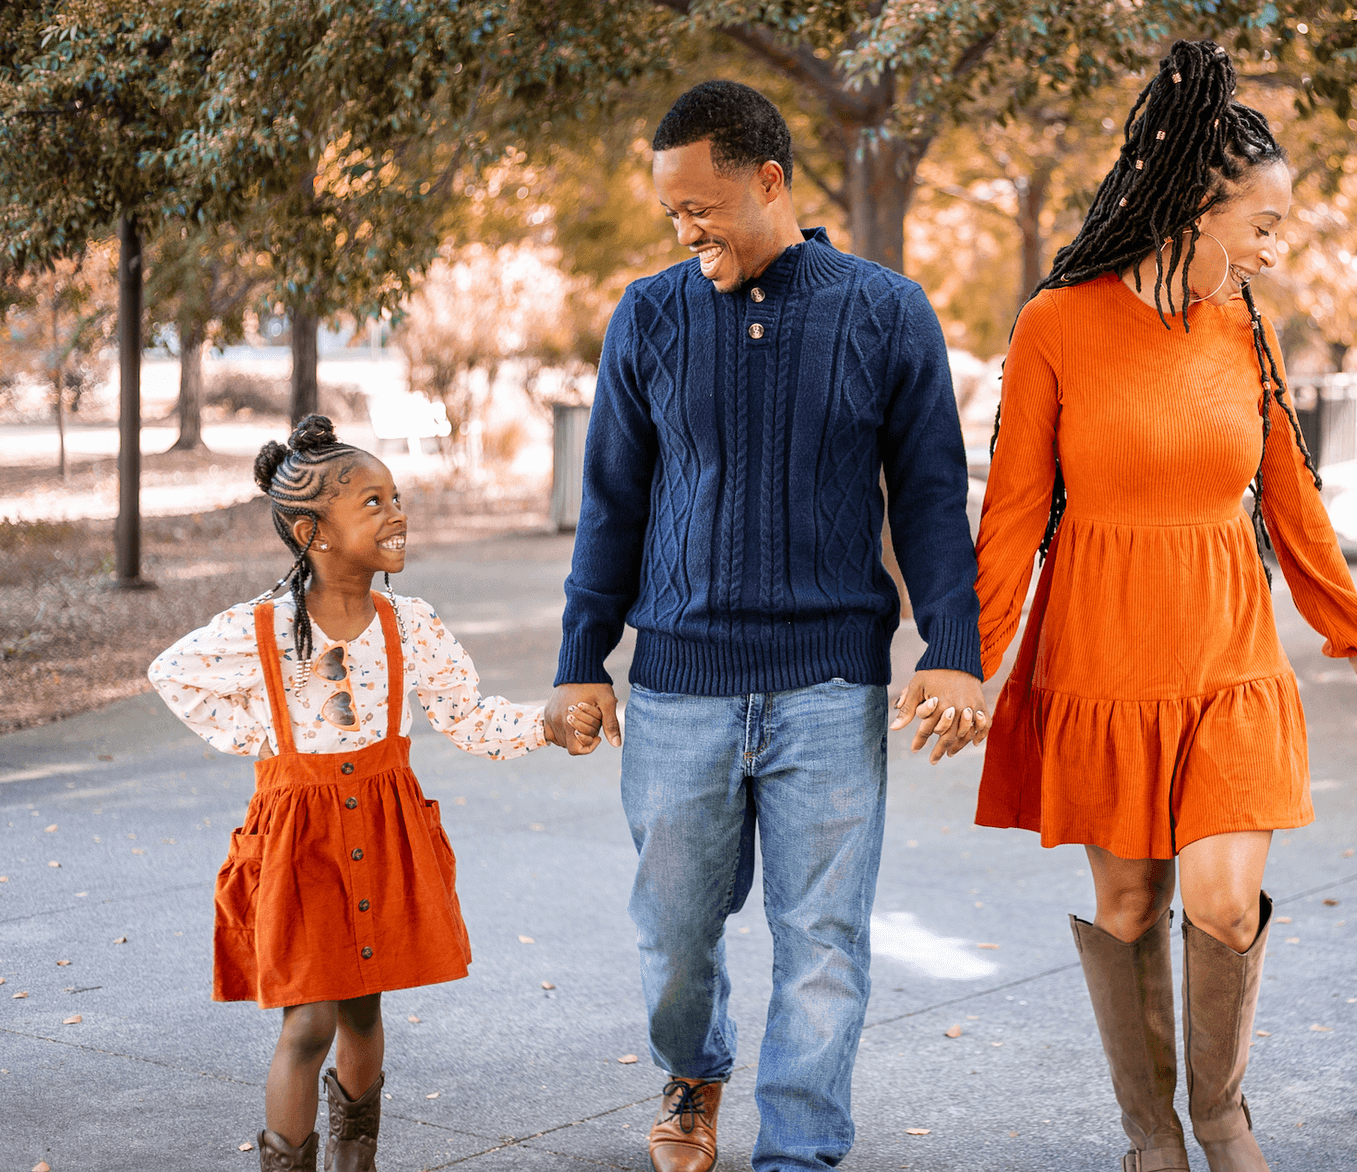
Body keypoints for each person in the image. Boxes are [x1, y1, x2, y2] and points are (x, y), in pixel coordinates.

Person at [970, 40, 1357, 1172]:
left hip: (1227, 657)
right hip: (1101, 652)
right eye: (1262, 226)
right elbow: (1015, 511)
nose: (1275, 249)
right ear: (1195, 208)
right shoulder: (1056, 324)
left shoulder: (1244, 329)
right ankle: (1148, 1138)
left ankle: (1220, 1119)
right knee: (1129, 911)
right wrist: (972, 661)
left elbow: (1294, 500)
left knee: (1221, 908)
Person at [544, 79, 989, 1172]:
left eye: (702, 207)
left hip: (830, 685)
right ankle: (694, 1070)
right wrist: (579, 661)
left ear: (769, 181)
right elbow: (613, 505)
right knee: (676, 939)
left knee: (823, 945)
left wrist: (955, 650)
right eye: (671, 213)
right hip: (681, 688)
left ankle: (799, 1151)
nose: (685, 231)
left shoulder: (886, 311)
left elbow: (931, 497)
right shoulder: (648, 316)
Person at [148, 415, 586, 1172]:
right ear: (312, 530)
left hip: (383, 829)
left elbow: (467, 713)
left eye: (396, 496)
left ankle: (358, 1161)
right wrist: (266, 734)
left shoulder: (406, 623)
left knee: (362, 1006)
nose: (397, 513)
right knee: (308, 1018)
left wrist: (542, 724)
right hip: (301, 841)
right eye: (373, 502)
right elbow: (171, 672)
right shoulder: (263, 628)